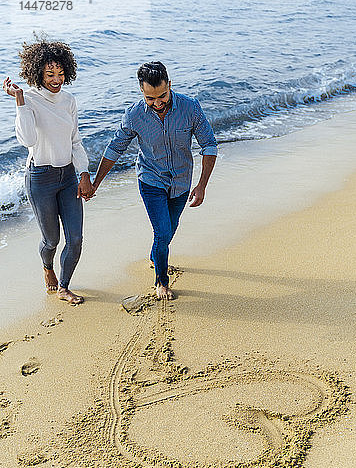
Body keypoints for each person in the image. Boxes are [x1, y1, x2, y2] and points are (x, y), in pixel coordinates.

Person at [91, 61, 217, 300]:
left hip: (181, 180)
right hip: (151, 179)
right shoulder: (134, 114)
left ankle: (154, 256)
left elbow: (209, 145)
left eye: (163, 96)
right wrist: (97, 182)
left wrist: (202, 185)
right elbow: (114, 148)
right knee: (162, 232)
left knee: (171, 228)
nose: (158, 103)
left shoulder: (190, 107)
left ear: (170, 85)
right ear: (142, 92)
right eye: (150, 98)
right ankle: (161, 280)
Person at [3, 38, 94, 305]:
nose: (56, 79)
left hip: (68, 177)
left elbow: (75, 140)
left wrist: (85, 173)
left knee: (75, 238)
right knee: (51, 240)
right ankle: (47, 268)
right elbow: (28, 139)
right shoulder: (29, 99)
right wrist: (19, 100)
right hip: (40, 179)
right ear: (38, 73)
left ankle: (64, 287)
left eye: (61, 74)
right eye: (50, 74)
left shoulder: (68, 100)